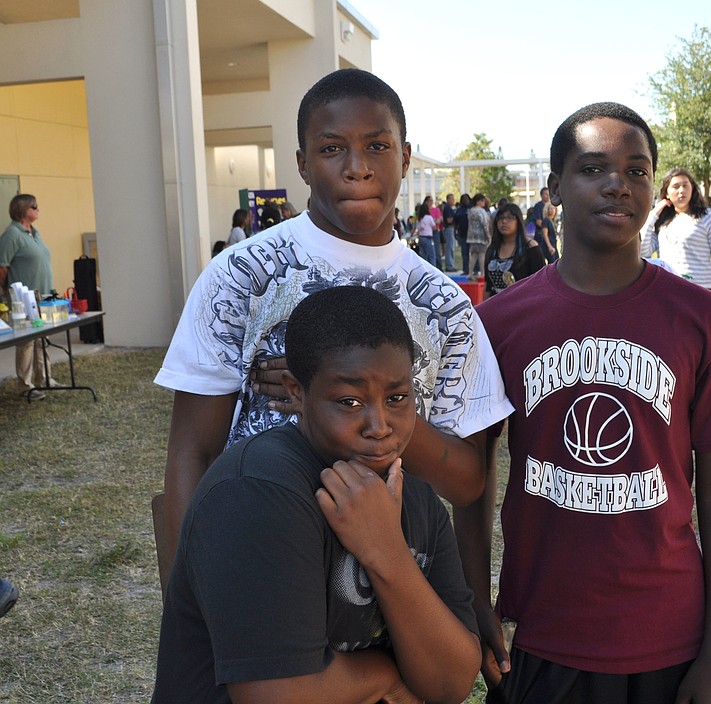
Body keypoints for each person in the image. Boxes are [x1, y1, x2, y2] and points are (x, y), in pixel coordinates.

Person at [454, 102, 711, 704]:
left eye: (636, 170)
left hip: (669, 634)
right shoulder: (497, 323)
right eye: (593, 168)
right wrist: (472, 598)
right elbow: (472, 477)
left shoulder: (707, 321)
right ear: (553, 189)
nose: (618, 184)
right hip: (541, 631)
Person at [154, 69, 512, 560]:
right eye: (331, 148)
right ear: (303, 164)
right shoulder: (242, 275)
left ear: (406, 158)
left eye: (377, 146)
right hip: (259, 558)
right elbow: (193, 452)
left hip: (395, 576)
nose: (357, 168)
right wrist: (187, 597)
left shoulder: (445, 305)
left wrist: (367, 404)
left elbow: (468, 482)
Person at [152, 286, 481, 703]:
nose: (380, 426)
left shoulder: (417, 498)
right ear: (295, 391)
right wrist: (388, 677)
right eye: (349, 401)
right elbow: (275, 696)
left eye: (397, 398)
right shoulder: (256, 491)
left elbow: (452, 683)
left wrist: (386, 551)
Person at [0, 194, 57, 401]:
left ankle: (45, 379)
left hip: (43, 296)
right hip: (23, 299)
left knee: (43, 339)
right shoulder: (12, 234)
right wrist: (6, 292)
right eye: (34, 206)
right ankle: (25, 386)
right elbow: (2, 267)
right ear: (23, 210)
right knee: (26, 342)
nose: (38, 209)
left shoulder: (34, 233)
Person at [640, 167, 711, 289]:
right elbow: (644, 251)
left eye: (685, 186)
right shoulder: (662, 222)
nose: (681, 190)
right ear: (667, 193)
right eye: (676, 187)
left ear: (692, 188)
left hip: (701, 290)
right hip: (669, 288)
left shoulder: (709, 218)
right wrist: (654, 214)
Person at [484, 202, 545, 297]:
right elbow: (487, 286)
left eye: (509, 217)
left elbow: (541, 284)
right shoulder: (492, 250)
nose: (504, 221)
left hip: (523, 303)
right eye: (500, 218)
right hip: (496, 304)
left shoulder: (531, 248)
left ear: (518, 221)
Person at [466, 193, 491, 281]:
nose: (484, 202)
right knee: (482, 255)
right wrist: (488, 236)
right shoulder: (481, 211)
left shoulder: (471, 211)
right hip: (481, 236)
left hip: (471, 236)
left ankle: (470, 273)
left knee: (473, 255)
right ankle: (483, 273)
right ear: (478, 201)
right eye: (483, 201)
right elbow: (484, 224)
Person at [414, 196, 438, 266]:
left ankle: (424, 269)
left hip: (421, 237)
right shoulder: (429, 217)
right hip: (428, 238)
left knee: (423, 256)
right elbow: (434, 227)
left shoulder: (419, 219)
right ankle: (433, 269)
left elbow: (417, 228)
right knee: (432, 255)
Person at [455, 193, 471, 274]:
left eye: (466, 199)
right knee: (464, 253)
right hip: (462, 234)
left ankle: (476, 269)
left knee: (474, 253)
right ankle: (466, 269)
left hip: (472, 234)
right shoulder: (459, 210)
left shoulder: (471, 208)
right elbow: (455, 222)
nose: (465, 201)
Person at [442, 193, 458, 272]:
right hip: (449, 228)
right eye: (452, 199)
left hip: (450, 228)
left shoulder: (449, 208)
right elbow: (449, 220)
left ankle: (451, 264)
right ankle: (449, 265)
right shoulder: (448, 208)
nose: (453, 200)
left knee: (451, 247)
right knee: (449, 247)